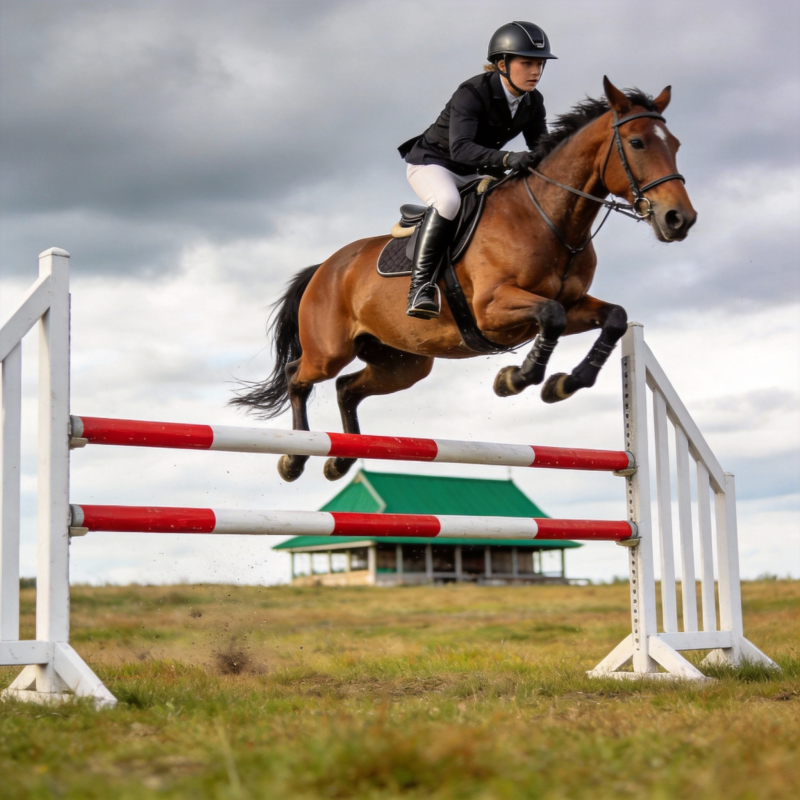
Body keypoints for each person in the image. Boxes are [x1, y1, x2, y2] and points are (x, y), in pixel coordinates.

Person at [398, 21, 557, 319]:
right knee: (447, 202)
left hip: (477, 170)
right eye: (527, 63)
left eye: (540, 64)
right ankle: (420, 288)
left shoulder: (533, 102)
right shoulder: (472, 93)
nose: (536, 71)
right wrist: (509, 159)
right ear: (501, 64)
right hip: (434, 163)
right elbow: (460, 149)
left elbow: (542, 150)